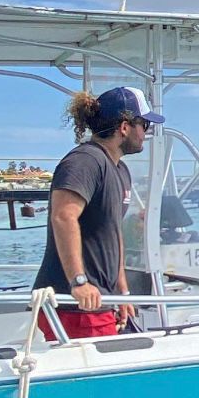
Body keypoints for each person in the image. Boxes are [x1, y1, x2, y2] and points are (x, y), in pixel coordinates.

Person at [33, 85, 163, 339]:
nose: (146, 133)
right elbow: (63, 216)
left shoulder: (119, 170)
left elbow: (113, 234)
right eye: (144, 125)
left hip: (102, 300)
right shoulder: (85, 161)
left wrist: (122, 292)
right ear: (124, 127)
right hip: (77, 306)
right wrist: (78, 282)